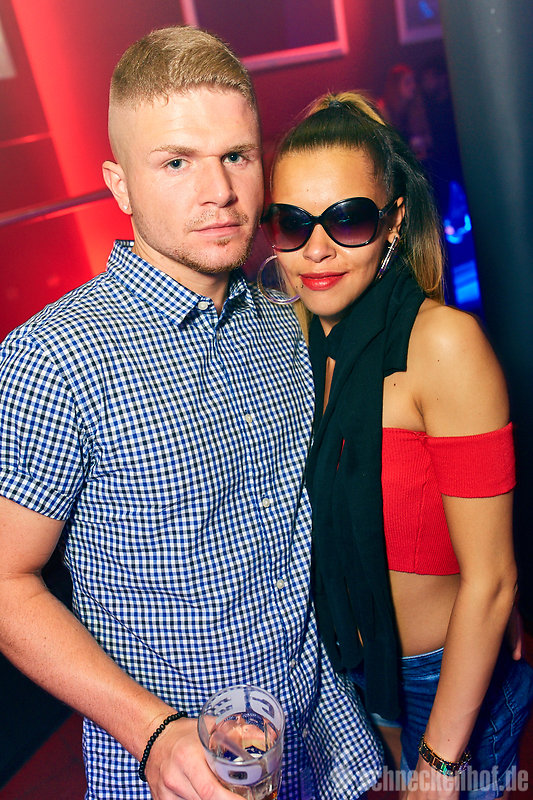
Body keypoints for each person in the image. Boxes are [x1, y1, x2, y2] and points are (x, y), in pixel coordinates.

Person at [0, 32, 383, 800]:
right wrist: (151, 732)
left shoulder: (282, 320)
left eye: (236, 156)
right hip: (178, 766)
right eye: (175, 162)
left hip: (318, 736)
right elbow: (6, 582)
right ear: (119, 185)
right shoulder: (56, 356)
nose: (219, 192)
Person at [260, 91, 533, 799]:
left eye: (347, 218)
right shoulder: (286, 341)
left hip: (447, 675)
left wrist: (439, 766)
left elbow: (492, 579)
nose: (316, 248)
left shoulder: (442, 344)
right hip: (347, 671)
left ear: (394, 221)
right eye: (291, 222)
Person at [377, 63, 432, 162]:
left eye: (413, 82)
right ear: (395, 86)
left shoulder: (414, 108)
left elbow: (427, 140)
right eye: (407, 83)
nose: (413, 86)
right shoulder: (383, 111)